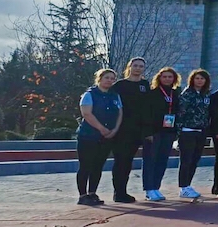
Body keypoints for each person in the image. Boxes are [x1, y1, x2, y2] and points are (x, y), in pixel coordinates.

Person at [76, 68, 123, 206]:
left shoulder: (115, 96)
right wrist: (101, 128)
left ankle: (92, 193)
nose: (109, 81)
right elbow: (87, 114)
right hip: (88, 136)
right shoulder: (89, 94)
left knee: (98, 166)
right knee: (86, 166)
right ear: (100, 78)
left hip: (107, 137)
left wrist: (115, 129)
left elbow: (120, 113)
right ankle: (83, 195)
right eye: (107, 78)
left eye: (112, 79)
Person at [110, 57, 149, 203]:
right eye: (135, 65)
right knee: (121, 161)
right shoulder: (119, 85)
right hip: (121, 130)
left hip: (137, 130)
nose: (138, 68)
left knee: (128, 162)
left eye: (141, 66)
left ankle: (123, 191)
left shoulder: (145, 85)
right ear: (129, 67)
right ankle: (118, 193)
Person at [142, 67, 180, 201]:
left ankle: (156, 187)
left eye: (170, 77)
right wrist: (148, 132)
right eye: (164, 77)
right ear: (159, 78)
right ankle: (149, 189)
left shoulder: (175, 94)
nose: (167, 79)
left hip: (169, 132)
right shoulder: (152, 94)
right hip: (154, 132)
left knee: (162, 160)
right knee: (150, 160)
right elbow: (146, 114)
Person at [177, 69, 211, 199]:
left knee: (195, 160)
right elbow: (181, 112)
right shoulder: (187, 94)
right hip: (187, 131)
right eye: (197, 78)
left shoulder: (206, 95)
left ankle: (188, 185)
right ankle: (183, 187)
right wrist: (179, 132)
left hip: (200, 132)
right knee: (186, 160)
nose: (200, 81)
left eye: (202, 78)